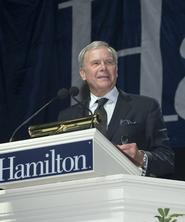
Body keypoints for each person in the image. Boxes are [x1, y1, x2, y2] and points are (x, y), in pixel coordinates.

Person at [58, 41, 174, 178]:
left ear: (116, 71)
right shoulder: (67, 117)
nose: (103, 68)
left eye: (108, 62)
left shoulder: (146, 107)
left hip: (129, 193)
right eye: (96, 63)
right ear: (83, 74)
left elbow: (168, 160)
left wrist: (141, 157)